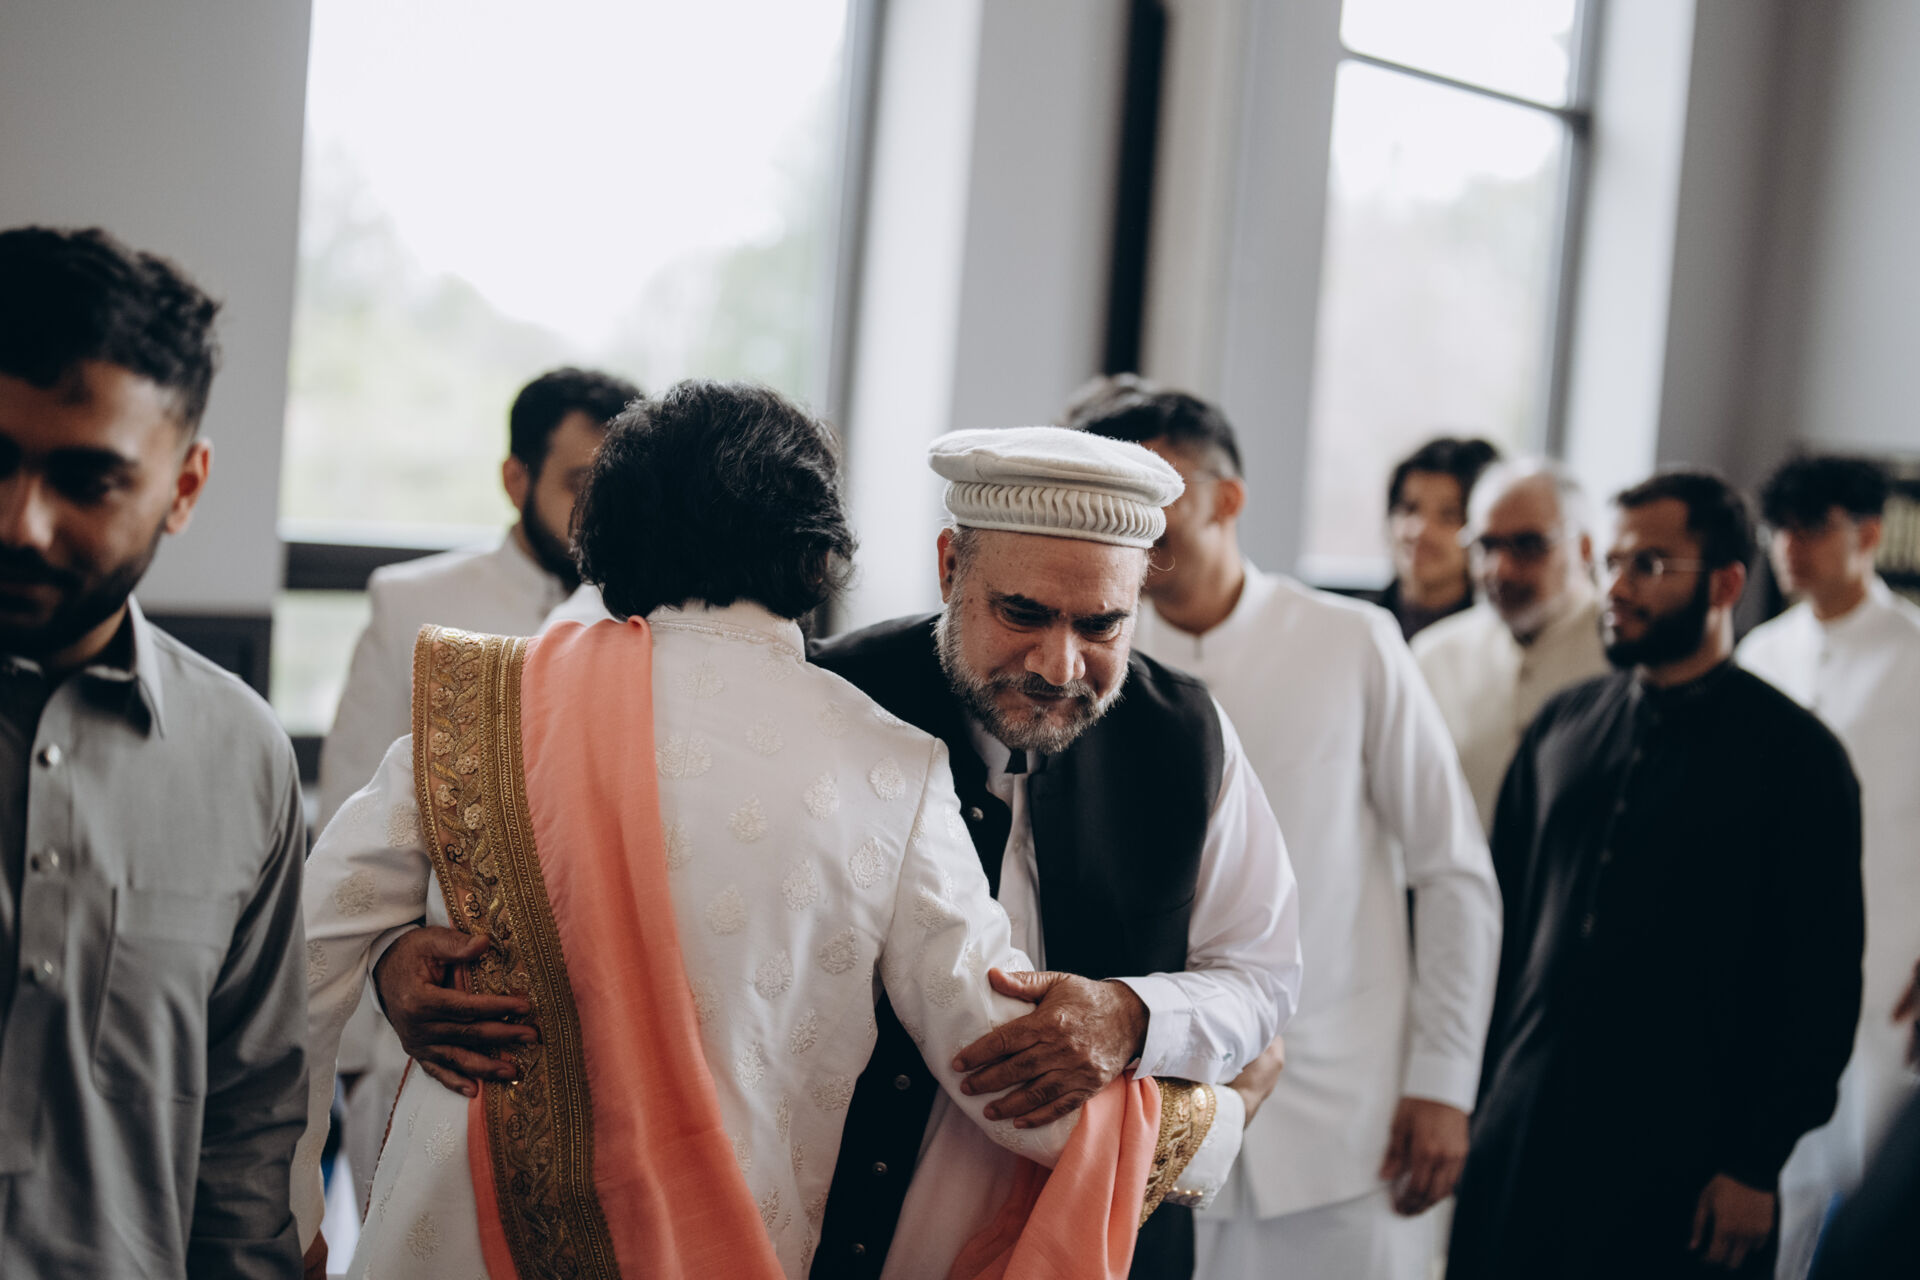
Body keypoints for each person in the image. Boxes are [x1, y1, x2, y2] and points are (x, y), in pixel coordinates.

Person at [294, 383, 1256, 1280]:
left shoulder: (486, 705)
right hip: (713, 1241)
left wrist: (295, 1212)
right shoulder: (888, 762)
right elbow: (995, 1062)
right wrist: (1213, 1120)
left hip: (455, 1238)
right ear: (818, 553)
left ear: (608, 532)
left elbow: (302, 961)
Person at [1064, 376, 1500, 1280]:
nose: (1129, 524)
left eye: (1152, 494)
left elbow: (1452, 870)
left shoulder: (1352, 641)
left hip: (1351, 1120)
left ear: (1226, 498)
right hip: (1154, 1117)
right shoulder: (1093, 661)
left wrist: (1444, 1082)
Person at [1449, 469, 1865, 1279]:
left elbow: (1818, 986)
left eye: (1648, 565)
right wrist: (1473, 1102)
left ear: (1726, 584)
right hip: (1524, 1136)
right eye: (1611, 563)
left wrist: (1755, 1163)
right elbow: (1499, 928)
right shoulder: (1563, 727)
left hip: (1692, 1167)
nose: (1617, 588)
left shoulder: (1798, 760)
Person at [0, 226, 308, 1275]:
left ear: (183, 487)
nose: (22, 523)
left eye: (87, 480)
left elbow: (247, 1132)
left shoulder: (243, 756)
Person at [315, 364, 637, 1208]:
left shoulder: (654, 618)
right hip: (424, 1033)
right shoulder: (411, 603)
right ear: (516, 479)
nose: (603, 511)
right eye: (580, 486)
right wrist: (375, 1004)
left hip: (599, 1057)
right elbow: (347, 817)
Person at [1734, 454, 1920, 1279]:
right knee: (1768, 1167)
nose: (1789, 548)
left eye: (1811, 529)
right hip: (1768, 958)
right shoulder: (1762, 653)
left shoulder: (1914, 656)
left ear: (1868, 535)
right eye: (1779, 530)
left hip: (1889, 961)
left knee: (1866, 1182)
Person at [1413, 460, 1611, 829]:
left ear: (1584, 549)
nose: (1500, 568)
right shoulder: (1434, 656)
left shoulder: (1625, 654)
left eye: (1528, 545)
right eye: (1486, 545)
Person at [1374, 436, 1501, 641]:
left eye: (1448, 515)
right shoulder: (1356, 625)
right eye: (1409, 508)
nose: (1419, 531)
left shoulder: (1498, 640)